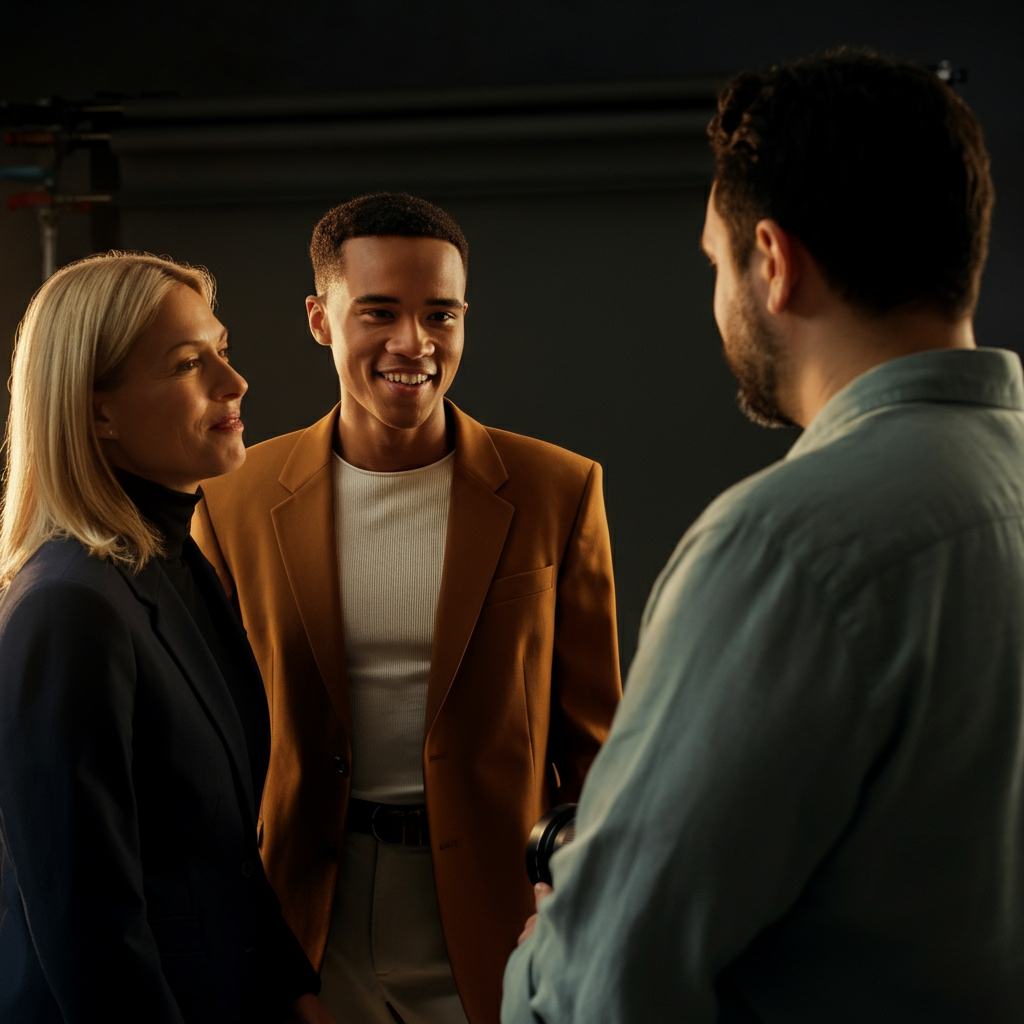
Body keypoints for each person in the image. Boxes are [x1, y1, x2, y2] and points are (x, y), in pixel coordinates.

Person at [502, 51, 1024, 1023]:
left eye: (715, 260)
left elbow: (602, 990)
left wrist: (539, 961)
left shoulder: (785, 548)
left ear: (773, 264)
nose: (716, 292)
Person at [192, 192, 622, 1024]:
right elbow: (212, 758)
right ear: (321, 319)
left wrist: (583, 903)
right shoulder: (230, 501)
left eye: (440, 315)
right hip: (306, 912)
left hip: (501, 910)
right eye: (379, 313)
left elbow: (598, 743)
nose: (412, 344)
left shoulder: (558, 490)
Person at [0, 253, 335, 1024]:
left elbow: (221, 861)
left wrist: (295, 993)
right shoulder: (68, 608)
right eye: (190, 363)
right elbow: (90, 929)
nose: (234, 381)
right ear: (97, 412)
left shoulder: (177, 570)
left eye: (221, 348)